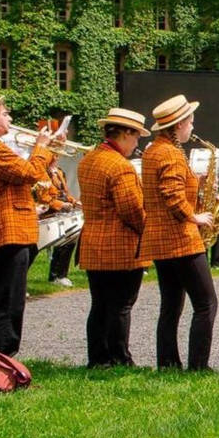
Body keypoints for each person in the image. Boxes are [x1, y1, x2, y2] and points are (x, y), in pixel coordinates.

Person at [0, 94, 60, 355]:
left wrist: (48, 149)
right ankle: (4, 352)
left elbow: (32, 170)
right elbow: (29, 173)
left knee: (3, 295)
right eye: (5, 113)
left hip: (7, 228)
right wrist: (41, 146)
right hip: (9, 228)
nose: (10, 118)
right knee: (10, 299)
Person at [141, 94, 218, 371]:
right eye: (190, 122)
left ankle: (168, 363)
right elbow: (172, 195)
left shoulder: (152, 151)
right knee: (206, 303)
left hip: (159, 239)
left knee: (171, 305)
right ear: (180, 124)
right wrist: (194, 216)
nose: (192, 128)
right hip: (181, 239)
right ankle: (198, 366)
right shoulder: (171, 153)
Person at [77, 108, 150, 367]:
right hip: (120, 245)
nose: (137, 142)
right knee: (121, 305)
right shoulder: (121, 167)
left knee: (99, 304)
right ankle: (119, 358)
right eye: (136, 136)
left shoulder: (88, 160)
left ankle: (97, 357)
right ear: (125, 134)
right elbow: (131, 210)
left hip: (92, 242)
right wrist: (148, 231)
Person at [40, 160, 79, 286]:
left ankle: (59, 275)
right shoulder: (41, 171)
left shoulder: (60, 171)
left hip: (62, 210)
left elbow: (65, 193)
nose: (57, 158)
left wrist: (74, 202)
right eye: (54, 155)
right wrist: (60, 205)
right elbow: (43, 196)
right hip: (46, 211)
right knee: (33, 249)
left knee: (69, 239)